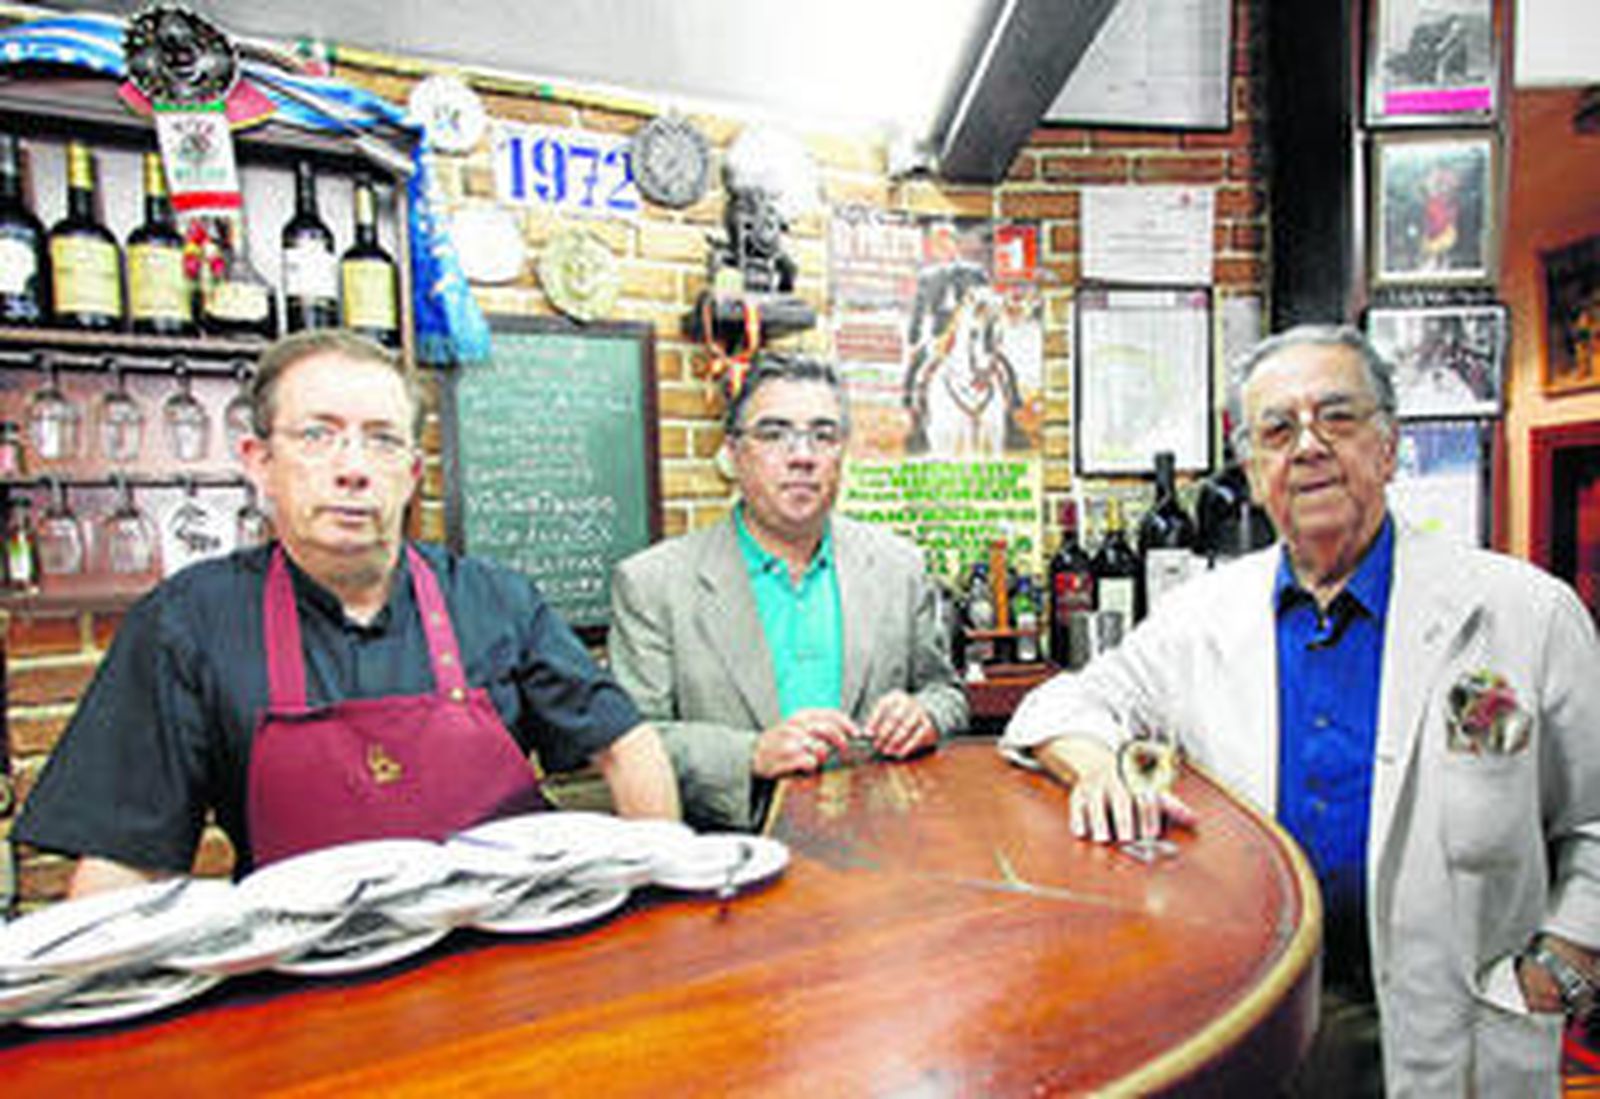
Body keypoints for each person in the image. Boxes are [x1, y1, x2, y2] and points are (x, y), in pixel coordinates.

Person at [1000, 325, 1600, 1096]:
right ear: (1253, 473)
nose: (1308, 446)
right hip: (1265, 1016)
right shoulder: (1200, 617)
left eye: (1337, 417)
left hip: (1462, 1027)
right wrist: (1096, 767)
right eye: (1277, 430)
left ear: (1389, 447)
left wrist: (1564, 967)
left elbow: (1592, 824)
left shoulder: (1525, 614)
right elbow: (1058, 702)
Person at [15, 330, 678, 895]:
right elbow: (120, 861)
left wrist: (662, 898)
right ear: (260, 462)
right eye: (317, 435)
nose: (353, 467)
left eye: (383, 440)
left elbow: (627, 743)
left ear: (412, 473)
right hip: (304, 986)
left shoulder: (494, 598)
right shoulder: (186, 623)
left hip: (506, 957)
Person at [608, 352, 968, 831]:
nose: (802, 456)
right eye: (774, 434)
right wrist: (751, 754)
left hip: (881, 850)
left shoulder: (897, 566)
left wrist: (924, 715)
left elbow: (946, 692)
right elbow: (632, 743)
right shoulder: (653, 584)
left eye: (823, 435)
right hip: (732, 857)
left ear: (842, 452)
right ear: (734, 453)